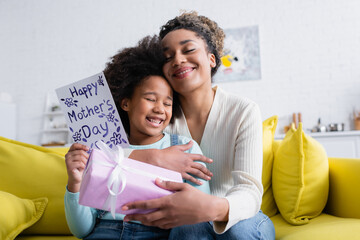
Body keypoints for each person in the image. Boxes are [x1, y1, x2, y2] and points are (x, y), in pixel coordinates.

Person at [121, 12, 276, 240]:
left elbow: (249, 191)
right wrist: (154, 158)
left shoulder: (243, 111)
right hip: (183, 219)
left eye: (188, 49)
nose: (177, 59)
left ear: (212, 59)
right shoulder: (157, 117)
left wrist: (211, 207)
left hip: (238, 215)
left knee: (238, 231)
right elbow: (110, 158)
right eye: (167, 56)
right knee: (187, 229)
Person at [64, 35, 210, 240]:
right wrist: (74, 183)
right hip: (105, 232)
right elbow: (81, 230)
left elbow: (202, 214)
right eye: (150, 99)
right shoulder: (102, 150)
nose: (159, 109)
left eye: (167, 103)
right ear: (125, 103)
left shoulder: (186, 149)